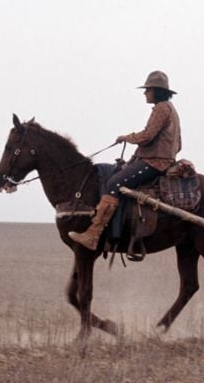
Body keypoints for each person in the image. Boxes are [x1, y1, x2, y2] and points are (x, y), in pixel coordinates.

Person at [68, 71, 182, 250]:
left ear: (157, 91)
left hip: (155, 163)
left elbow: (147, 136)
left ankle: (93, 234)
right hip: (161, 160)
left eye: (148, 90)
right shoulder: (171, 110)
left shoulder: (161, 108)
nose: (145, 93)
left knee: (114, 182)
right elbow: (178, 144)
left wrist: (126, 138)